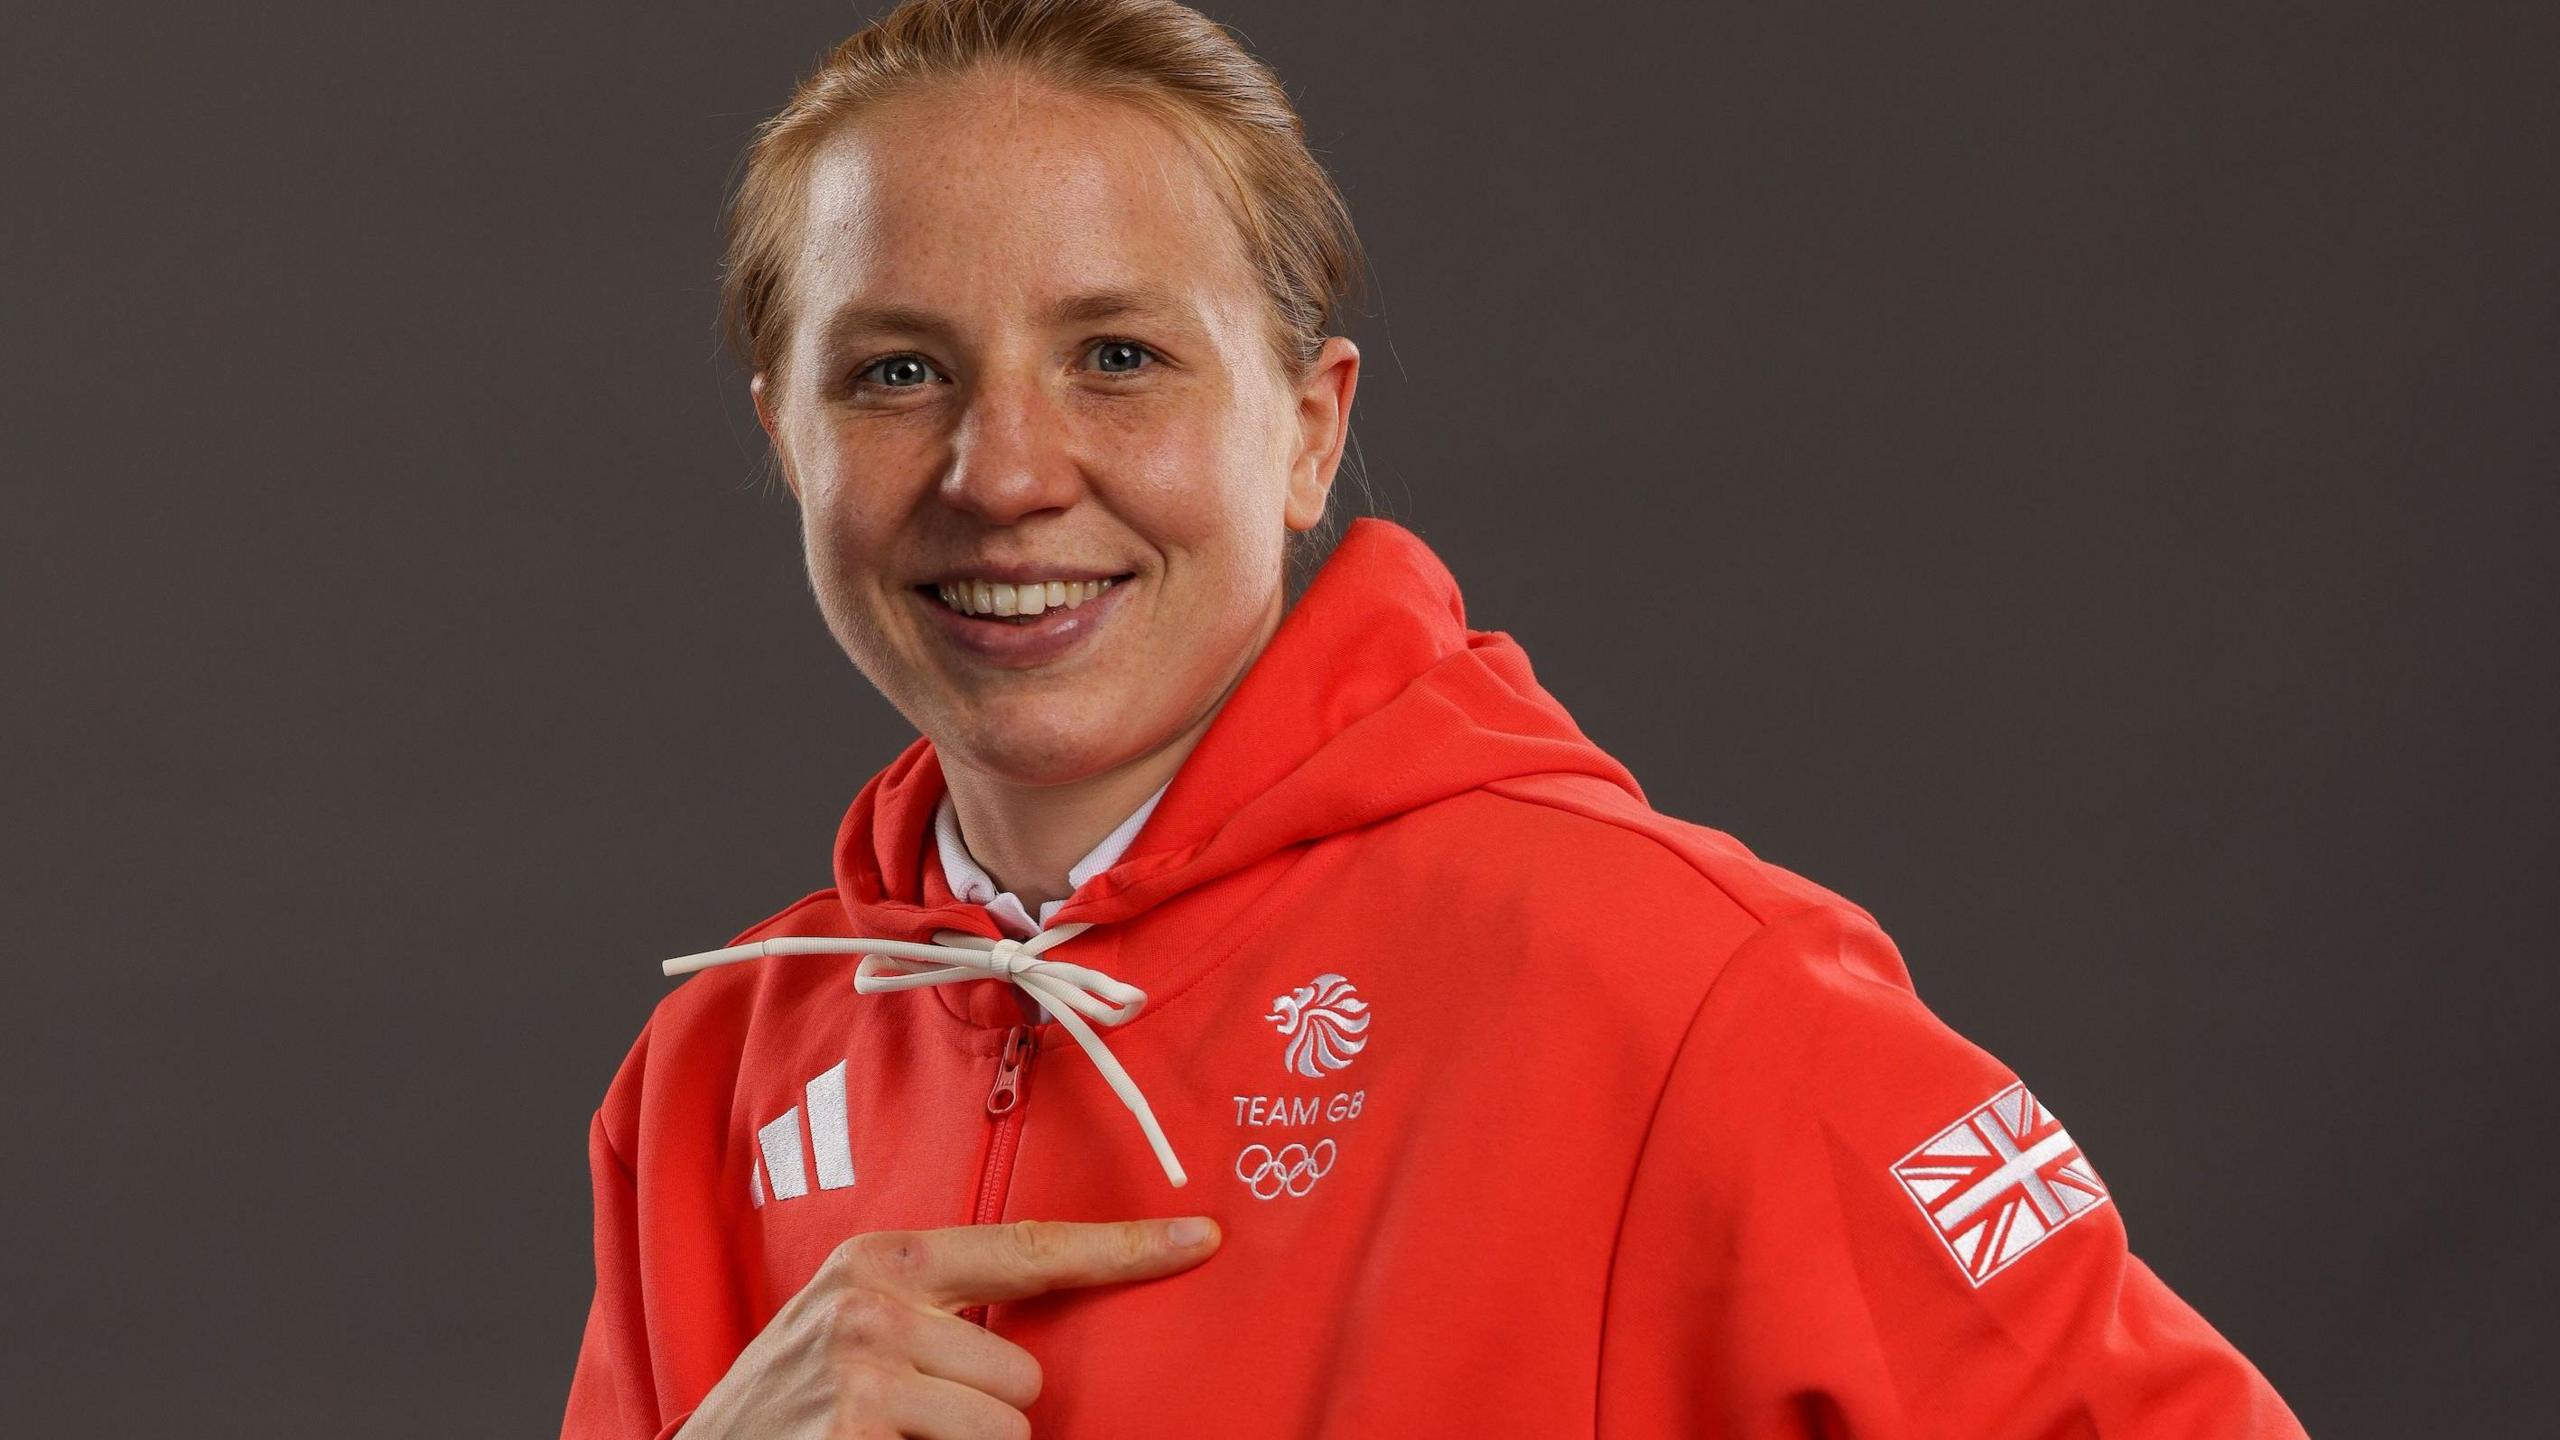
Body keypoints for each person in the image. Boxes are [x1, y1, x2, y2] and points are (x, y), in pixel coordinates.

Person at [561, 1, 2310, 1435]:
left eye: (1119, 358)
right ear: (792, 443)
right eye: (895, 372)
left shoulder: (1678, 987)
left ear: (1310, 431)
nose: (1004, 472)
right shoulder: (712, 1085)